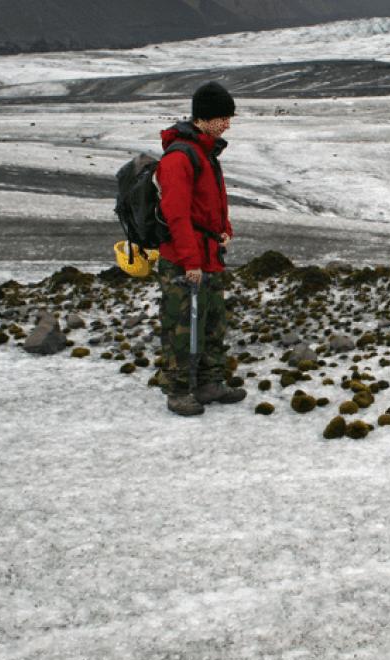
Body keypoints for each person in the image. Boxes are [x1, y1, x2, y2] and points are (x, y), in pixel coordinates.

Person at [155, 81, 245, 416]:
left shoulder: (206, 153)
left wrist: (225, 230)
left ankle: (210, 383)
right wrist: (190, 262)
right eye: (223, 118)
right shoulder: (180, 158)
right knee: (181, 326)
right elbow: (176, 215)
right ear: (204, 118)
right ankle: (178, 390)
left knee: (212, 322)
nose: (228, 125)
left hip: (209, 255)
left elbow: (212, 203)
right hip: (185, 259)